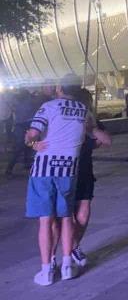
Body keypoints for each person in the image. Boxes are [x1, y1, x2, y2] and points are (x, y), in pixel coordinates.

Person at [24, 74, 87, 285]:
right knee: (67, 217)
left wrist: (32, 144)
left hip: (44, 169)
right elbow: (91, 131)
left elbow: (32, 134)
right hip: (69, 169)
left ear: (59, 87)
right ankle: (68, 265)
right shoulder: (84, 110)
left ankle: (46, 271)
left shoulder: (49, 107)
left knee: (46, 220)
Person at [51, 88, 112, 269]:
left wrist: (90, 129)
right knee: (59, 217)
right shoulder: (58, 115)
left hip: (84, 172)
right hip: (61, 172)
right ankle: (53, 256)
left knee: (83, 215)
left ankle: (73, 247)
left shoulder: (89, 119)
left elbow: (106, 140)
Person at [5, 88, 39, 178]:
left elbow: (13, 108)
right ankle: (12, 168)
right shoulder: (30, 100)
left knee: (23, 146)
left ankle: (14, 167)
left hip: (21, 125)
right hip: (24, 124)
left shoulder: (17, 99)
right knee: (24, 146)